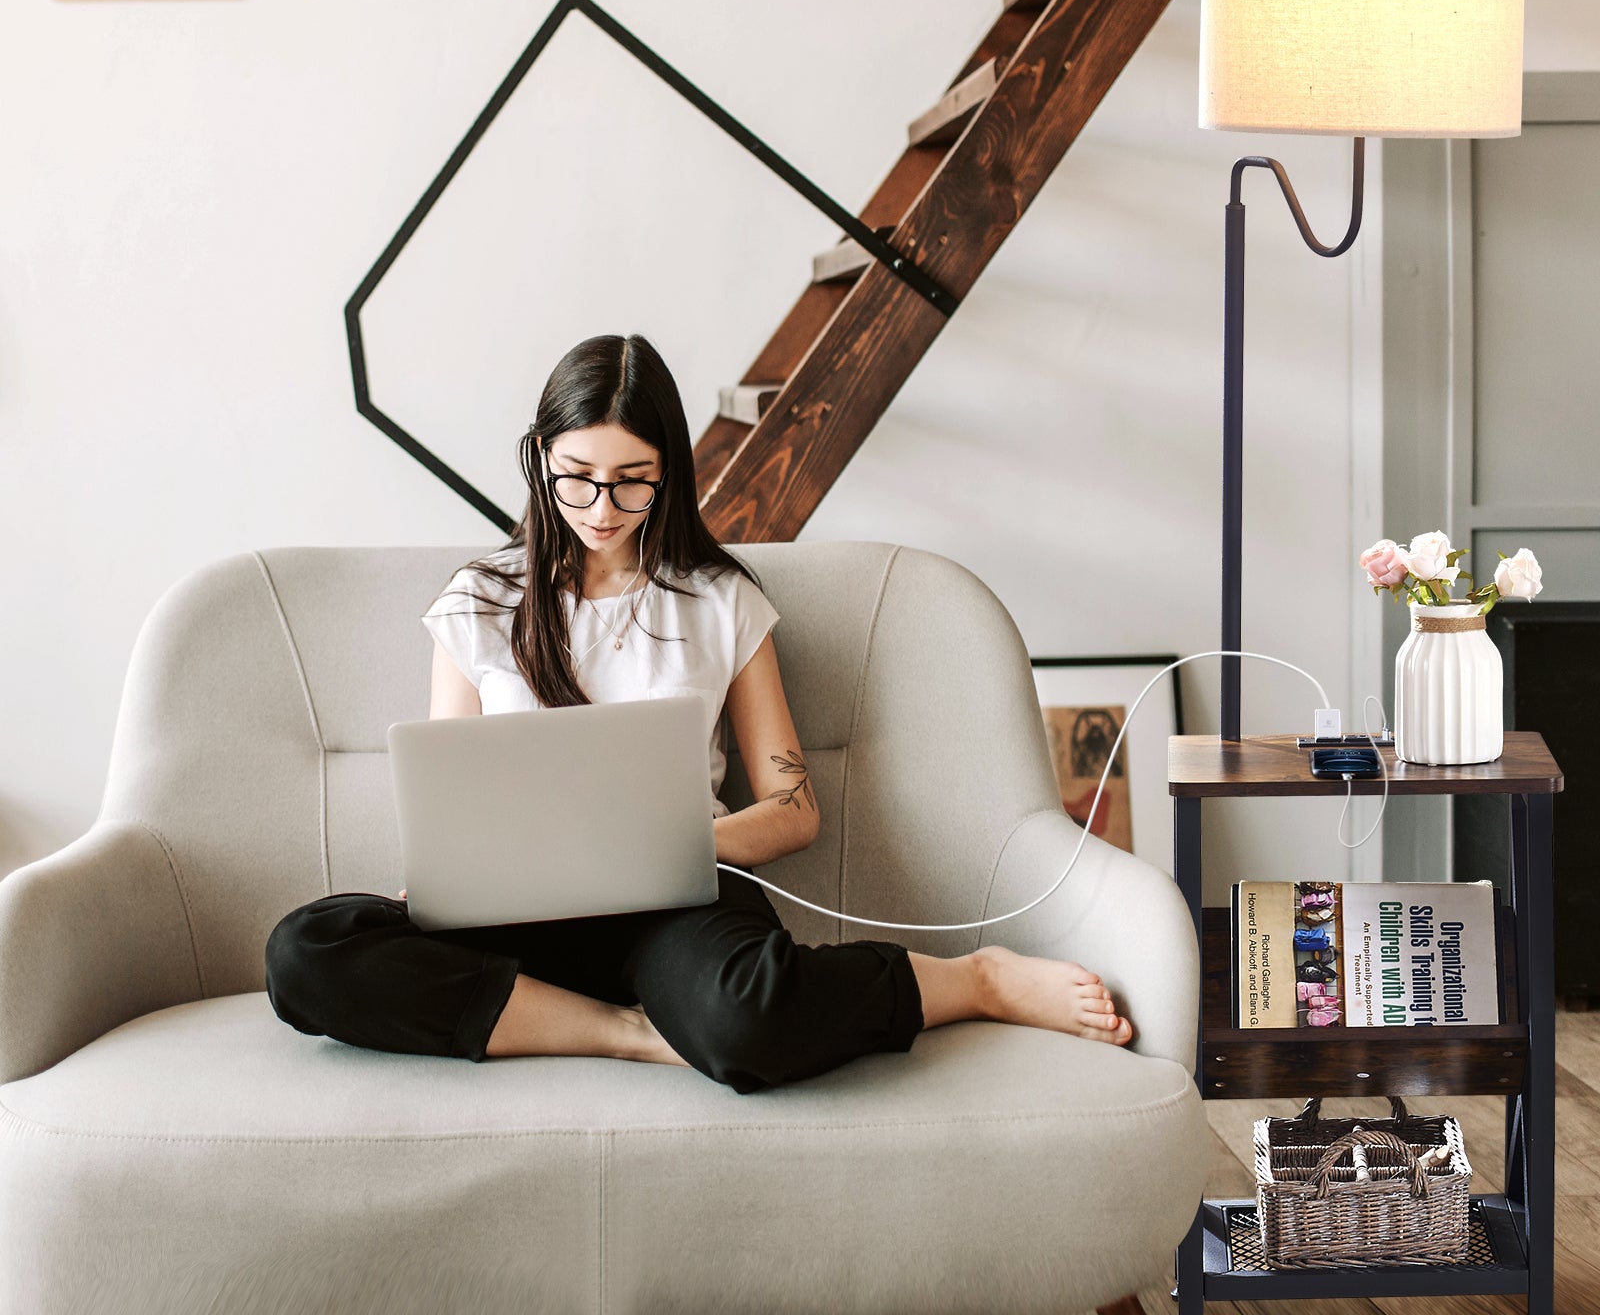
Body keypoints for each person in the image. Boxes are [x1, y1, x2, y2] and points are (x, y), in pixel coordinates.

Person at [264, 333, 1134, 1093]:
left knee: (750, 1017)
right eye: (577, 480)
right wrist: (452, 876)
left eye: (631, 483)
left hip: (674, 908)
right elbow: (450, 796)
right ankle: (631, 1035)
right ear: (539, 460)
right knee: (305, 952)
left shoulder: (720, 602)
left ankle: (976, 981)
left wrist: (672, 847)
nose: (602, 511)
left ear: (669, 472)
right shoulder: (479, 602)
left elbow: (794, 809)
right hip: (513, 923)